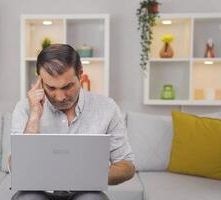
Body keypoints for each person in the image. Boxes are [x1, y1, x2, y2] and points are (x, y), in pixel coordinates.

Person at [10, 44, 135, 200]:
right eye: (51, 87)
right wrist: (34, 116)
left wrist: (89, 176)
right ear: (39, 79)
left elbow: (127, 166)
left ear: (80, 73)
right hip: (38, 192)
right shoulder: (25, 107)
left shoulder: (107, 107)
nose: (60, 97)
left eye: (67, 86)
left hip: (85, 192)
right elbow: (16, 167)